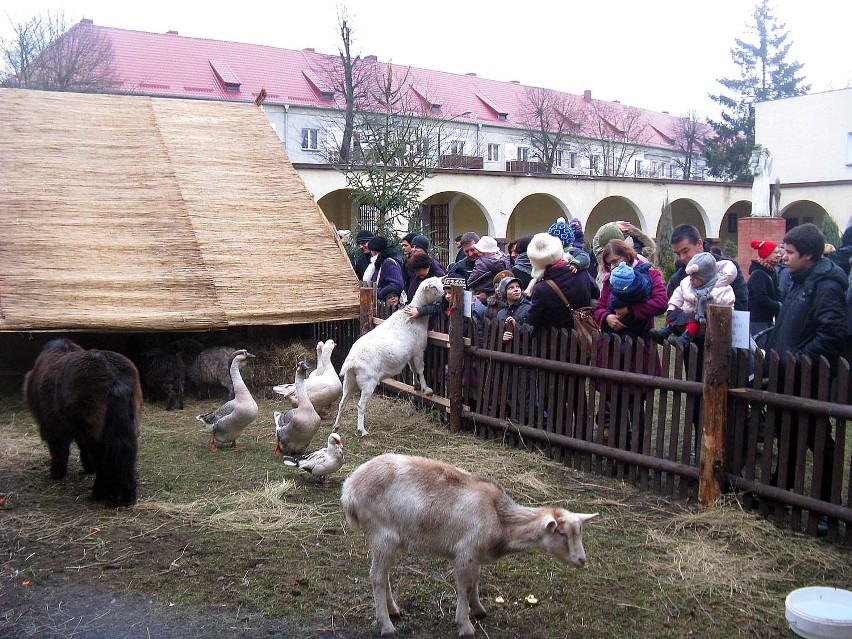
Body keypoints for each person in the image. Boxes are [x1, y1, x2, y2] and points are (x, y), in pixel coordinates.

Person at [764, 223, 846, 514]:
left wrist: (798, 358)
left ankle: (826, 501)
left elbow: (832, 332)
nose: (784, 257)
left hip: (811, 375)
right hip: (789, 371)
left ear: (809, 255)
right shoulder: (800, 279)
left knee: (817, 437)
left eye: (790, 252)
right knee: (788, 430)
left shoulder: (826, 285)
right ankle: (781, 486)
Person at [592, 239, 668, 445]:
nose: (614, 266)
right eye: (609, 264)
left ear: (628, 256)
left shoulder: (650, 274)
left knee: (635, 403)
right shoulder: (609, 280)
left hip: (639, 347)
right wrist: (606, 318)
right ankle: (617, 445)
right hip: (612, 348)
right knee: (613, 401)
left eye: (616, 261)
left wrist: (631, 312)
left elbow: (661, 303)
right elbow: (599, 307)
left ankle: (637, 448)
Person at [651, 252, 736, 348]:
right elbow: (678, 293)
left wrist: (696, 299)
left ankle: (685, 338)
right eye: (690, 276)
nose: (691, 279)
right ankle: (665, 331)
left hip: (705, 318)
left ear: (705, 278)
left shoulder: (721, 289)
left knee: (693, 320)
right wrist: (672, 306)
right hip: (687, 311)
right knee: (675, 314)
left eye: (695, 277)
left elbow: (720, 302)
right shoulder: (687, 283)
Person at [666, 224, 748, 312]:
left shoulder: (727, 268)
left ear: (699, 244)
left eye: (685, 251)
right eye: (678, 254)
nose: (682, 257)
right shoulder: (677, 279)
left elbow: (741, 304)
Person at [526, 232, 594, 332]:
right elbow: (596, 294)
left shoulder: (541, 288)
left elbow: (533, 319)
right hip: (584, 334)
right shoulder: (581, 273)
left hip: (555, 341)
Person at [747, 239, 783, 336]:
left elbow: (777, 292)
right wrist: (779, 305)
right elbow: (761, 298)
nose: (778, 255)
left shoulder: (773, 272)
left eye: (779, 252)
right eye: (775, 252)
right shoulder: (758, 274)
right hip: (757, 320)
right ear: (766, 254)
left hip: (768, 319)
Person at [466, 236, 511, 302]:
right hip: (499, 293)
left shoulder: (481, 263)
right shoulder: (504, 259)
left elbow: (470, 282)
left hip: (484, 294)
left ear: (483, 252)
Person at [364, 236, 405, 306]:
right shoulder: (381, 262)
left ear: (374, 251)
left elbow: (397, 284)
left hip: (389, 306)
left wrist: (378, 293)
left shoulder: (388, 262)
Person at [496, 276, 531, 342]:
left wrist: (517, 326)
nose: (516, 289)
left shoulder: (529, 308)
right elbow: (496, 336)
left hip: (525, 350)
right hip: (505, 351)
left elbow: (535, 332)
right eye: (511, 288)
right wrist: (502, 338)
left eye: (517, 286)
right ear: (504, 292)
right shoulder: (501, 313)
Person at [750, 147, 774, 217]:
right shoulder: (768, 158)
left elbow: (760, 168)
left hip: (760, 179)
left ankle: (759, 211)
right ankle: (762, 211)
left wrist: (754, 170)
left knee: (758, 194)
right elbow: (769, 170)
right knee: (762, 194)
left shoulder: (762, 157)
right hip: (764, 178)